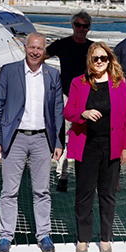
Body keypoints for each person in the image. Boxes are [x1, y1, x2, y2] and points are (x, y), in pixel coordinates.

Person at [0, 33, 64, 252]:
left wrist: (59, 141)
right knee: (9, 191)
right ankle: (5, 236)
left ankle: (44, 235)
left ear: (44, 50)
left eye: (39, 48)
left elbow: (58, 111)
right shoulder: (9, 71)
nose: (35, 52)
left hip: (42, 139)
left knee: (42, 191)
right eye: (32, 47)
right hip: (15, 139)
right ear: (25, 47)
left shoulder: (53, 75)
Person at [64, 42, 126, 252]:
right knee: (84, 194)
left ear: (109, 60)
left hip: (111, 145)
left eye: (103, 58)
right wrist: (83, 114)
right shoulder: (79, 82)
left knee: (107, 194)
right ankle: (83, 238)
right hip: (86, 145)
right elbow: (68, 111)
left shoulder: (118, 83)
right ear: (90, 60)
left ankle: (106, 237)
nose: (99, 62)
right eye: (95, 58)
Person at [46, 10, 94, 192]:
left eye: (84, 26)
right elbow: (41, 57)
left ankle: (84, 175)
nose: (81, 29)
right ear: (72, 25)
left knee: (85, 137)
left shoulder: (92, 47)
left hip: (87, 97)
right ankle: (62, 175)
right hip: (66, 96)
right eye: (78, 25)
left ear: (89, 28)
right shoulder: (62, 44)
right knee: (64, 136)